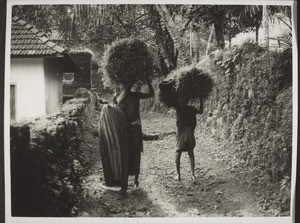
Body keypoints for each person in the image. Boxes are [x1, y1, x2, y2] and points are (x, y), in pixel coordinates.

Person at [113, 78, 154, 192]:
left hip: (135, 129)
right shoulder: (117, 96)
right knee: (124, 154)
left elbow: (151, 94)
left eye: (129, 84)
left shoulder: (135, 96)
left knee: (136, 154)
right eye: (125, 84)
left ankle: (136, 181)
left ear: (130, 84)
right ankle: (124, 184)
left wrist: (148, 81)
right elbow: (114, 113)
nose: (127, 86)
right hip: (123, 130)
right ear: (122, 84)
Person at [174, 96, 204, 182]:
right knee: (190, 153)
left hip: (182, 133)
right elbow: (201, 111)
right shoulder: (191, 109)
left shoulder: (178, 108)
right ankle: (192, 174)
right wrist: (201, 100)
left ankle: (178, 174)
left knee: (178, 152)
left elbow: (172, 102)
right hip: (190, 132)